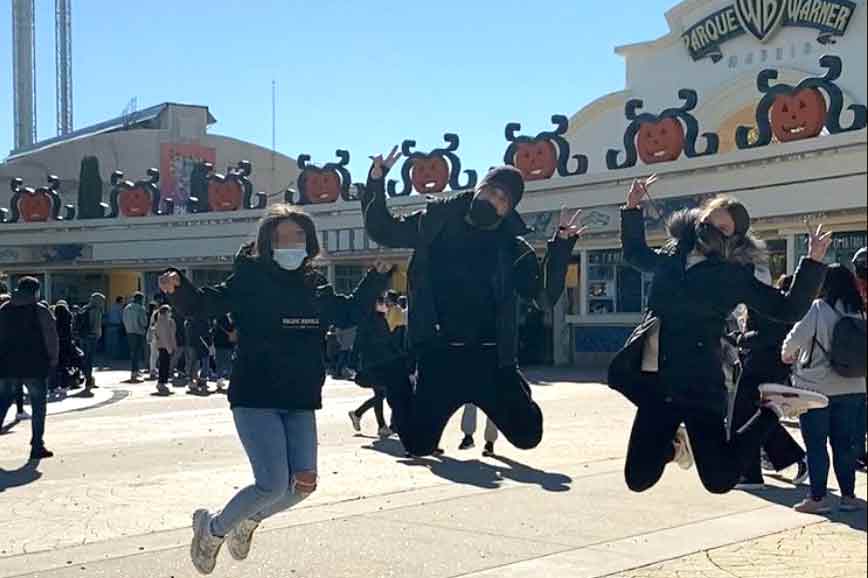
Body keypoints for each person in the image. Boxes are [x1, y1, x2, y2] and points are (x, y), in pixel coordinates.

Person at [159, 203, 391, 575]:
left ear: (309, 242)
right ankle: (213, 529)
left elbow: (346, 313)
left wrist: (376, 279)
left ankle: (247, 522)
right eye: (282, 236)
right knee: (270, 483)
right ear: (268, 242)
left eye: (298, 235)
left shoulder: (315, 285)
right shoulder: (250, 279)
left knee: (303, 484)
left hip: (300, 396)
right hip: (256, 394)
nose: (291, 243)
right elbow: (206, 304)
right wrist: (178, 287)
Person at [607, 176, 831, 495]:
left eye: (723, 229)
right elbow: (636, 255)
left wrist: (812, 263)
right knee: (639, 477)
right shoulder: (672, 255)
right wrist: (631, 209)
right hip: (658, 381)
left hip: (700, 383)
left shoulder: (732, 275)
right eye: (709, 222)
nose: (712, 231)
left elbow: (786, 308)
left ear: (735, 239)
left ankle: (772, 408)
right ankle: (676, 447)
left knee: (719, 480)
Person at [361, 148, 582, 457]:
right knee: (417, 444)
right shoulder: (435, 222)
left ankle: (514, 390)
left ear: (508, 210)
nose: (493, 200)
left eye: (503, 200)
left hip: (491, 359)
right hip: (439, 356)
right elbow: (382, 230)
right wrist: (376, 181)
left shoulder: (514, 248)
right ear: (479, 188)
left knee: (528, 434)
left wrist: (560, 248)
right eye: (491, 191)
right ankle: (396, 373)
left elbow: (543, 298)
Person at [782, 264, 867, 514]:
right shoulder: (860, 312)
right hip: (854, 386)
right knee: (845, 445)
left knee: (817, 445)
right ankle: (849, 497)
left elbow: (793, 341)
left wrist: (787, 355)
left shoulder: (818, 309)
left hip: (816, 390)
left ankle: (817, 499)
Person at [732, 274, 807, 490]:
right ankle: (755, 472)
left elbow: (767, 335)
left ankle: (752, 474)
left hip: (761, 367)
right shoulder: (774, 301)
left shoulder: (766, 301)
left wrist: (739, 339)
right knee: (755, 417)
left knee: (746, 417)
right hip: (767, 366)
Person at [0, 277, 59, 460]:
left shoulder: (4, 309)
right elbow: (51, 337)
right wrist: (53, 360)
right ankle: (37, 446)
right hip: (35, 365)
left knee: (2, 404)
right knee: (38, 407)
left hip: (7, 365)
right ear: (35, 291)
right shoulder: (40, 310)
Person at [349, 295, 402, 438]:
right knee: (381, 392)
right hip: (372, 364)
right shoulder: (372, 321)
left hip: (377, 362)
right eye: (382, 302)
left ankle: (370, 420)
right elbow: (359, 342)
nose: (386, 305)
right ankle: (373, 421)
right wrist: (352, 362)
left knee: (380, 393)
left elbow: (388, 341)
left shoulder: (379, 320)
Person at [77, 292, 105, 396]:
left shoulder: (85, 308)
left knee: (85, 359)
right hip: (92, 337)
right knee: (90, 359)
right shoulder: (96, 311)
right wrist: (98, 336)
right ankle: (89, 380)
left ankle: (88, 379)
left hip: (83, 337)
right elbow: (96, 326)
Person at [123, 293, 149, 383]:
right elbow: (144, 322)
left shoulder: (127, 308)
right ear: (140, 299)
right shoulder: (140, 308)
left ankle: (135, 371)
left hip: (129, 332)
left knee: (133, 352)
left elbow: (124, 320)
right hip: (138, 332)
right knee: (138, 353)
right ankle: (134, 372)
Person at [153, 305, 177, 395]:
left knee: (165, 365)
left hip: (163, 346)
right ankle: (161, 382)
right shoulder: (163, 321)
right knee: (164, 365)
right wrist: (170, 348)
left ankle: (162, 382)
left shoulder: (163, 321)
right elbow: (165, 336)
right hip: (165, 346)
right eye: (169, 311)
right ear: (166, 312)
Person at [54, 300, 76, 394]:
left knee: (57, 366)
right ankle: (65, 384)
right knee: (65, 366)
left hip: (57, 345)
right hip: (66, 345)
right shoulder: (69, 320)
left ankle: (56, 385)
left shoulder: (55, 321)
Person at [213, 314, 237, 392]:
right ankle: (232, 381)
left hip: (219, 345)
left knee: (219, 362)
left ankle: (219, 380)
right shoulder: (230, 320)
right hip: (227, 345)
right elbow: (233, 329)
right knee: (228, 363)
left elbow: (214, 332)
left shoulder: (217, 320)